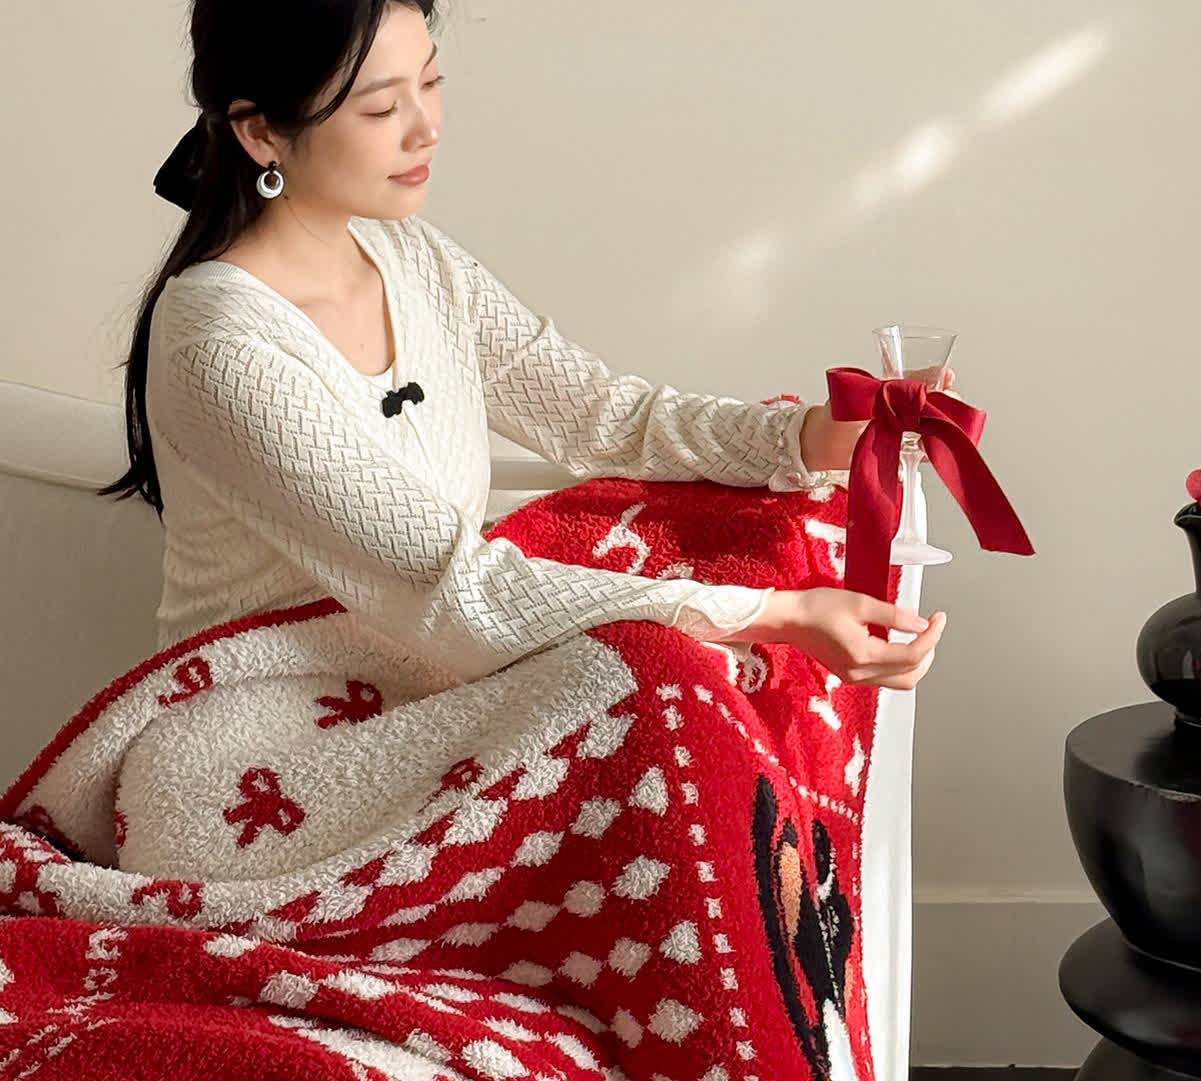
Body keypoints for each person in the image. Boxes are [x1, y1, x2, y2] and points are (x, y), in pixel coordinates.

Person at [103, 0, 948, 690]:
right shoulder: (218, 344)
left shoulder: (415, 259)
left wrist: (808, 437)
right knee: (668, 679)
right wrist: (775, 614)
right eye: (380, 107)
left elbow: (602, 416)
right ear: (259, 134)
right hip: (259, 722)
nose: (424, 127)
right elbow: (449, 587)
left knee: (739, 573)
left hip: (434, 679)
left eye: (430, 84)